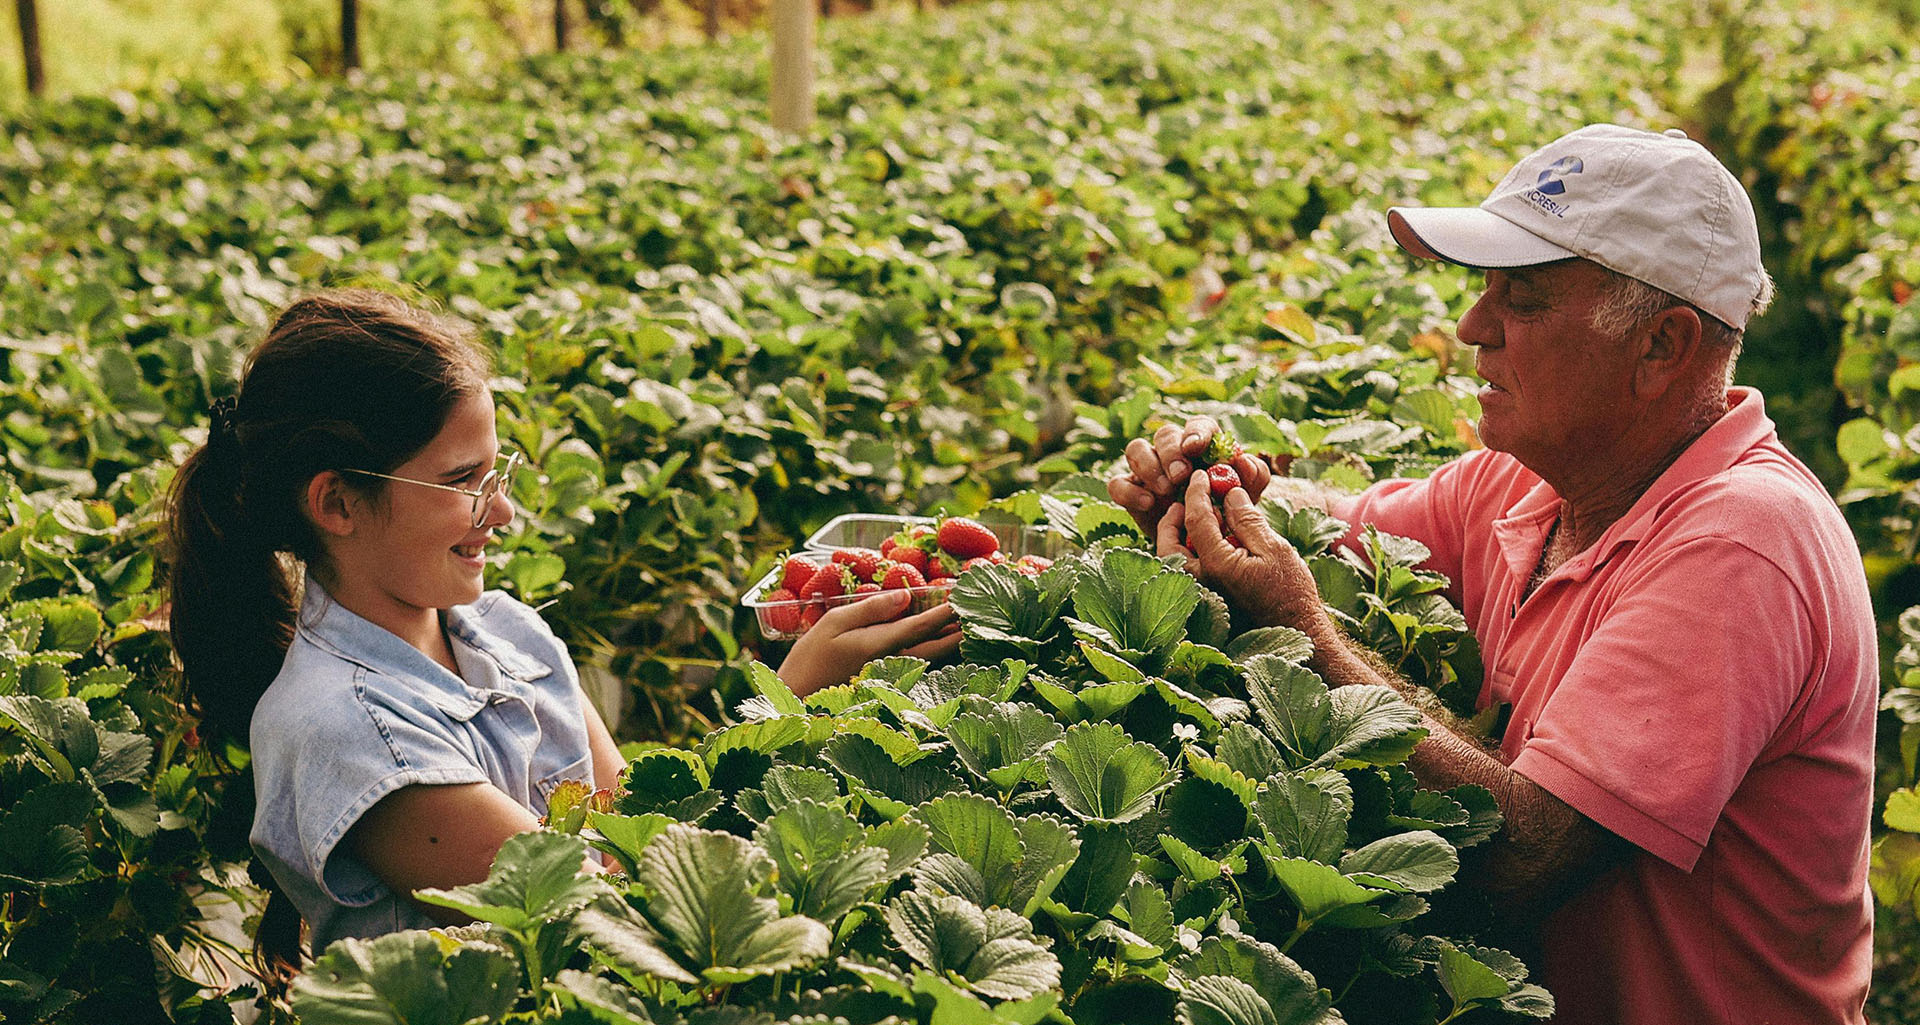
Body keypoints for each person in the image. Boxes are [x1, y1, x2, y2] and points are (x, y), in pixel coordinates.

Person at [1109, 125, 1875, 1025]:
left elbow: (1523, 857)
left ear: (1662, 346)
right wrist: (1213, 484)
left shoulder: (1742, 545)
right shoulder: (1542, 479)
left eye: (1525, 299)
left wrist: (1304, 634)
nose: (1473, 327)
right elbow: (1333, 523)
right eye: (1484, 288)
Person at [166, 289, 959, 978]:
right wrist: (793, 702)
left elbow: (638, 825)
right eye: (460, 482)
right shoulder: (342, 731)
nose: (503, 511)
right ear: (335, 504)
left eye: (495, 471)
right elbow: (618, 904)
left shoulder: (507, 632)